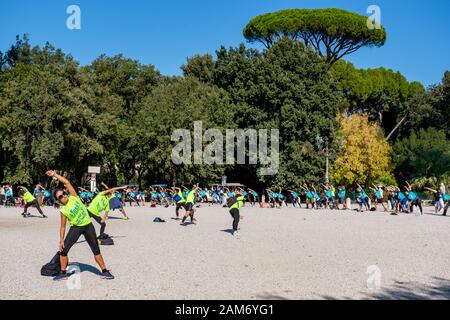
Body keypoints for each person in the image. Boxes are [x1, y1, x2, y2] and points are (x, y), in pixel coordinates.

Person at [45, 170, 114, 281]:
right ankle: (63, 273)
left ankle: (105, 271)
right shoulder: (63, 210)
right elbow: (62, 227)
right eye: (60, 197)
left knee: (96, 250)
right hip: (76, 228)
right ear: (58, 200)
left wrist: (55, 175)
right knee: (63, 251)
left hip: (88, 226)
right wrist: (61, 240)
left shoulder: (74, 197)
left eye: (63, 194)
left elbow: (67, 182)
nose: (63, 196)